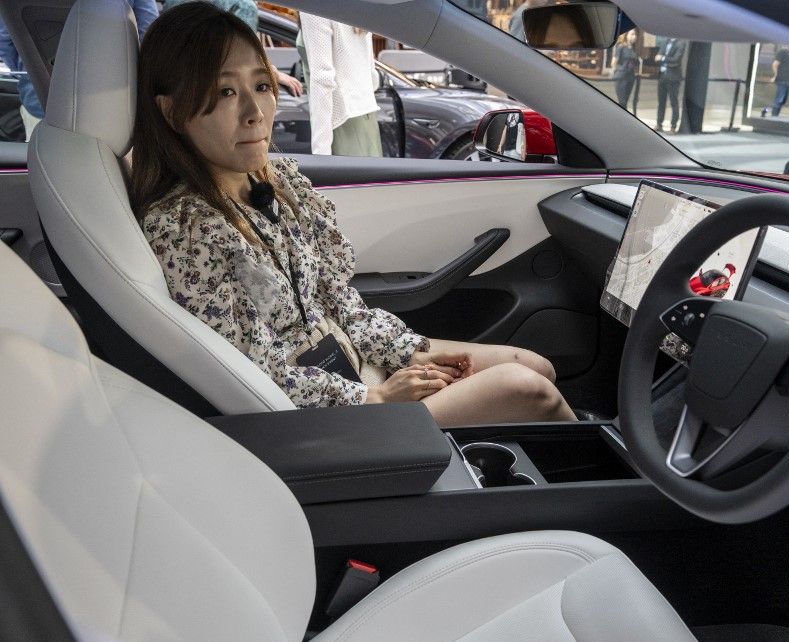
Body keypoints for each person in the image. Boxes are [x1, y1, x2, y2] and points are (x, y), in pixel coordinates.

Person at [129, 3, 576, 426]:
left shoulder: (275, 185)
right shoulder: (184, 229)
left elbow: (335, 298)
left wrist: (407, 353)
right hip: (333, 415)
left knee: (536, 366)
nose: (255, 112)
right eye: (225, 92)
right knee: (528, 389)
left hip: (360, 366)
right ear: (171, 111)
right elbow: (248, 371)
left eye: (261, 86)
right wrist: (375, 398)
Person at [0, 0, 158, 140]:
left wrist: (33, 69)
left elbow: (7, 41)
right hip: (113, 100)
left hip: (37, 97)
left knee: (45, 159)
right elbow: (148, 34)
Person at [162, 0, 304, 97]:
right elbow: (244, 60)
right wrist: (273, 74)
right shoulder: (242, 6)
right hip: (213, 94)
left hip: (173, 88)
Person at [299, 15, 382, 157]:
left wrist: (321, 155)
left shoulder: (314, 6)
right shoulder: (356, 5)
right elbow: (372, 73)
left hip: (340, 122)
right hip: (365, 117)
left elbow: (323, 81)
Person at [654, 36, 684, 132]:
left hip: (673, 78)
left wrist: (662, 58)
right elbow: (658, 55)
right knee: (661, 102)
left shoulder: (680, 43)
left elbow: (676, 59)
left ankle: (673, 126)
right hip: (662, 76)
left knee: (673, 102)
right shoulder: (665, 42)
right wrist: (660, 57)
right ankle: (659, 124)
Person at [611, 30, 639, 110]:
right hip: (621, 77)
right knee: (622, 102)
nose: (634, 36)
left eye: (635, 34)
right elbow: (613, 63)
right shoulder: (621, 46)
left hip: (630, 77)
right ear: (626, 35)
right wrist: (619, 71)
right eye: (632, 34)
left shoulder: (633, 48)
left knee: (625, 101)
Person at [769, 47, 789, 116]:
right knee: (779, 99)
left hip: (788, 80)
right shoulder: (782, 52)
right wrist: (776, 75)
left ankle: (776, 115)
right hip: (782, 79)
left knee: (782, 100)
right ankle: (774, 115)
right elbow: (775, 64)